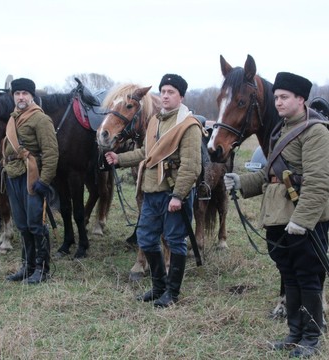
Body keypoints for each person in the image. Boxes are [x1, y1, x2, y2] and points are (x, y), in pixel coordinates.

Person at [224, 72, 329, 358]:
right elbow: (273, 175)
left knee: (308, 278)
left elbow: (319, 183)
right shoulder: (280, 131)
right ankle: (294, 332)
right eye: (277, 97)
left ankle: (311, 336)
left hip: (303, 221)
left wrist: (302, 221)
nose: (278, 102)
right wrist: (241, 182)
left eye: (284, 98)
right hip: (279, 217)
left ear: (300, 99)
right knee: (290, 276)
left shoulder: (316, 131)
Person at [105, 74, 202, 307]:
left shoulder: (189, 126)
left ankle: (171, 293)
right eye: (163, 91)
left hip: (172, 193)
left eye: (171, 92)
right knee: (146, 238)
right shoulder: (155, 121)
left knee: (174, 240)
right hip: (150, 191)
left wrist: (179, 196)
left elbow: (191, 166)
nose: (166, 96)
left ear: (181, 96)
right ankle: (158, 287)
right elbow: (145, 154)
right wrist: (119, 158)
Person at [4, 78, 59, 284]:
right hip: (13, 176)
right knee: (22, 224)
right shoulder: (14, 118)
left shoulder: (40, 119)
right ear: (13, 96)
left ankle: (42, 269)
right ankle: (27, 266)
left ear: (32, 96)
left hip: (32, 177)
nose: (21, 97)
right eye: (17, 93)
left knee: (36, 224)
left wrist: (44, 182)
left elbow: (51, 153)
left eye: (25, 94)